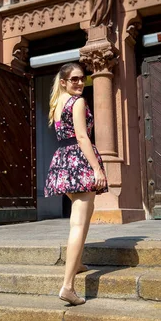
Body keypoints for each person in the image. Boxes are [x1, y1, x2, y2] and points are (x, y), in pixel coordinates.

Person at [44, 62, 108, 305]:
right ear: (63, 82)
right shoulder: (78, 102)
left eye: (82, 79)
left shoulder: (58, 104)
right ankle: (67, 286)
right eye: (74, 79)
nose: (80, 83)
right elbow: (82, 136)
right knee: (79, 223)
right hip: (79, 161)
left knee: (85, 213)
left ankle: (78, 262)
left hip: (63, 161)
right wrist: (96, 168)